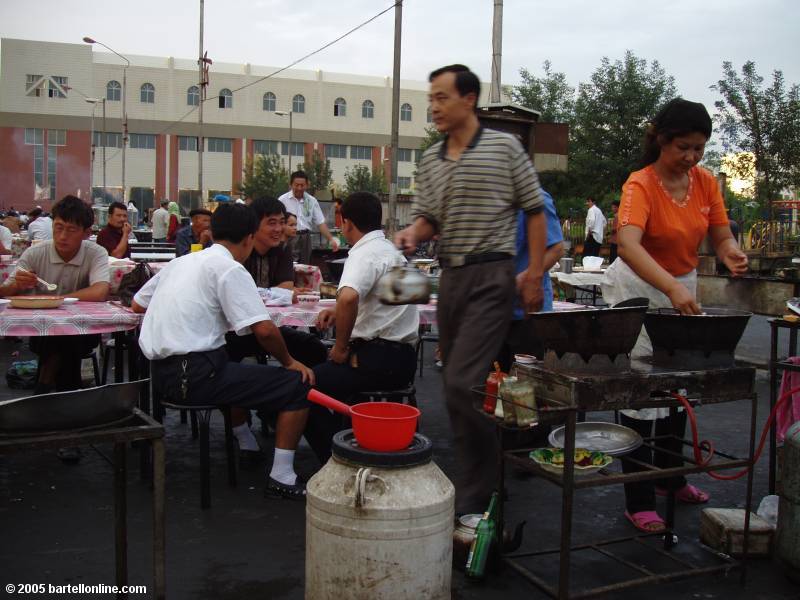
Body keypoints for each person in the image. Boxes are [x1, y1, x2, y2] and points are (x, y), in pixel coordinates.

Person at [395, 64, 546, 515]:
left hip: (492, 276)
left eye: (442, 97)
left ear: (469, 99)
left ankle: (477, 488)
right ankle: (483, 474)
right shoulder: (432, 159)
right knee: (455, 386)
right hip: (452, 279)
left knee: (462, 383)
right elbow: (429, 219)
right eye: (432, 97)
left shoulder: (505, 148)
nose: (434, 106)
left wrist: (534, 272)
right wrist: (412, 233)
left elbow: (535, 211)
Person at [601, 98, 748, 533]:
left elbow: (720, 235)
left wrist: (730, 253)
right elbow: (628, 244)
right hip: (639, 287)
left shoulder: (705, 183)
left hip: (681, 285)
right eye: (683, 147)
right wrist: (670, 286)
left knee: (680, 381)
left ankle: (672, 477)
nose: (691, 157)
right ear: (661, 140)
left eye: (699, 148)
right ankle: (640, 496)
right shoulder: (640, 185)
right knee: (640, 390)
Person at [132, 203, 315, 499]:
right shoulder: (230, 269)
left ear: (213, 233)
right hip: (197, 375)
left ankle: (247, 442)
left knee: (234, 357)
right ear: (249, 238)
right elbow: (265, 331)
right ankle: (282, 475)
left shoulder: (181, 263)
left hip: (161, 377)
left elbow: (137, 304)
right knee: (296, 385)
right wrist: (290, 362)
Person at [308, 192, 420, 462]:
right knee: (325, 377)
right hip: (404, 361)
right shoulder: (394, 253)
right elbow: (394, 305)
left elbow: (348, 297)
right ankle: (348, 438)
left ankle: (337, 457)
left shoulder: (362, 253)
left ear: (346, 223)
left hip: (375, 361)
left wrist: (340, 347)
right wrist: (338, 312)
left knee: (300, 388)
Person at [0, 195, 109, 394]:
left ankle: (45, 385)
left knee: (67, 333)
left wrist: (57, 301)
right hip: (40, 332)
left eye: (71, 229)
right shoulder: (35, 253)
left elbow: (100, 291)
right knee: (61, 336)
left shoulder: (96, 253)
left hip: (83, 331)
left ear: (86, 233)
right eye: (58, 227)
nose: (62, 236)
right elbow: (4, 292)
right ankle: (67, 395)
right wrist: (17, 285)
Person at [278, 171, 339, 264]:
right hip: (289, 237)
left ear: (307, 185)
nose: (299, 188)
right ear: (290, 185)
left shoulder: (312, 201)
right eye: (296, 185)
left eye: (302, 185)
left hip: (306, 238)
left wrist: (331, 239)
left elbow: (320, 223)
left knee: (305, 266)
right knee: (287, 264)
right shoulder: (282, 200)